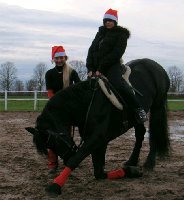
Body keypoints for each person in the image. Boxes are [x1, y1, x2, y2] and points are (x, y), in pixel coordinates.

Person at [86, 8, 147, 124]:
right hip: (96, 68)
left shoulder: (121, 34)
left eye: (110, 20)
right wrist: (90, 68)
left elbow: (116, 53)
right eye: (106, 20)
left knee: (118, 85)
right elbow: (91, 50)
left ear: (115, 22)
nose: (108, 22)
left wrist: (101, 69)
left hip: (112, 66)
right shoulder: (100, 33)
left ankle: (138, 109)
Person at [45, 45, 80, 173]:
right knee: (52, 136)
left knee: (67, 136)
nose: (59, 60)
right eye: (57, 58)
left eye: (61, 57)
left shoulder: (72, 72)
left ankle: (68, 160)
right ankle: (52, 164)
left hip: (68, 110)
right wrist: (57, 106)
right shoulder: (49, 74)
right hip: (54, 109)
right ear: (53, 59)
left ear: (65, 57)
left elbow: (79, 87)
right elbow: (50, 93)